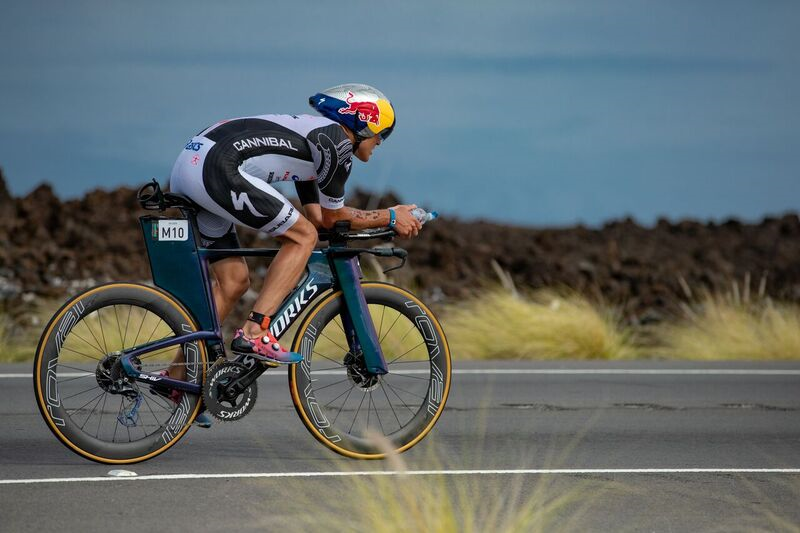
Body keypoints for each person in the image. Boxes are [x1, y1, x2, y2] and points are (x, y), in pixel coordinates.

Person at [169, 83, 422, 368]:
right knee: (302, 237)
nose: (379, 143)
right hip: (215, 167)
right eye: (381, 134)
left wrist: (379, 220)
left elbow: (317, 214)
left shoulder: (318, 137)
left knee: (233, 282)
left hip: (193, 165)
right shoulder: (336, 143)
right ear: (365, 122)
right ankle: (256, 331)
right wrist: (390, 216)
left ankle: (178, 376)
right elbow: (332, 218)